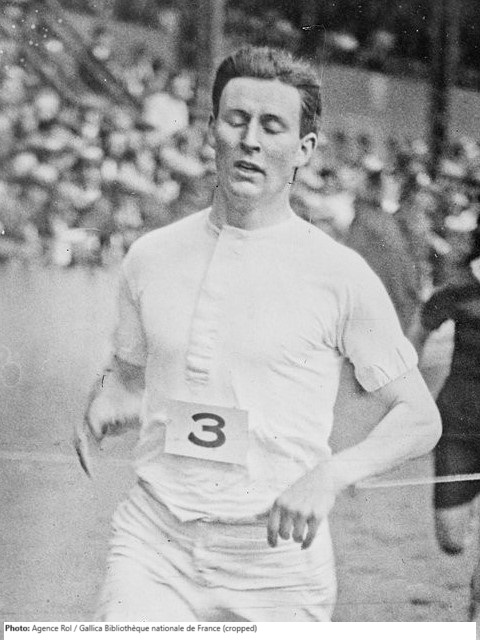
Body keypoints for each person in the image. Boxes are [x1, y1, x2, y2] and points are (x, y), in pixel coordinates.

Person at [75, 46, 441, 622]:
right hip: (154, 542)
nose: (250, 140)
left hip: (276, 561)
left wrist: (331, 475)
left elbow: (419, 417)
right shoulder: (150, 256)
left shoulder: (339, 275)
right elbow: (126, 373)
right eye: (236, 120)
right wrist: (110, 396)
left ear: (304, 149)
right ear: (211, 131)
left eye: (272, 126)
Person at [412, 218, 480, 620]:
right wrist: (407, 386)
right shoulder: (460, 290)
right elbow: (417, 333)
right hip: (458, 427)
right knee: (451, 540)